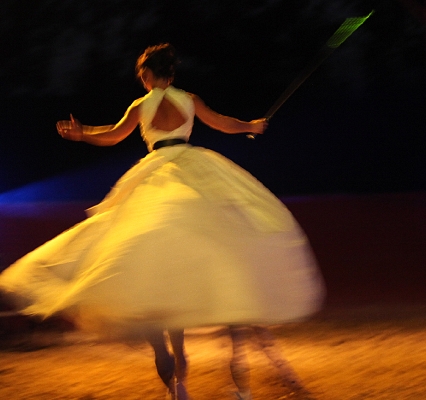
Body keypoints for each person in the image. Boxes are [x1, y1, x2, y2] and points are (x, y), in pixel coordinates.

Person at [0, 43, 325, 399]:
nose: (141, 79)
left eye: (142, 74)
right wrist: (251, 125)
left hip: (157, 170)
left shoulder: (141, 105)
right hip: (196, 166)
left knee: (133, 232)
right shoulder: (190, 99)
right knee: (227, 224)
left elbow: (114, 134)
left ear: (148, 74)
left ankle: (178, 381)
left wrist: (82, 134)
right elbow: (221, 123)